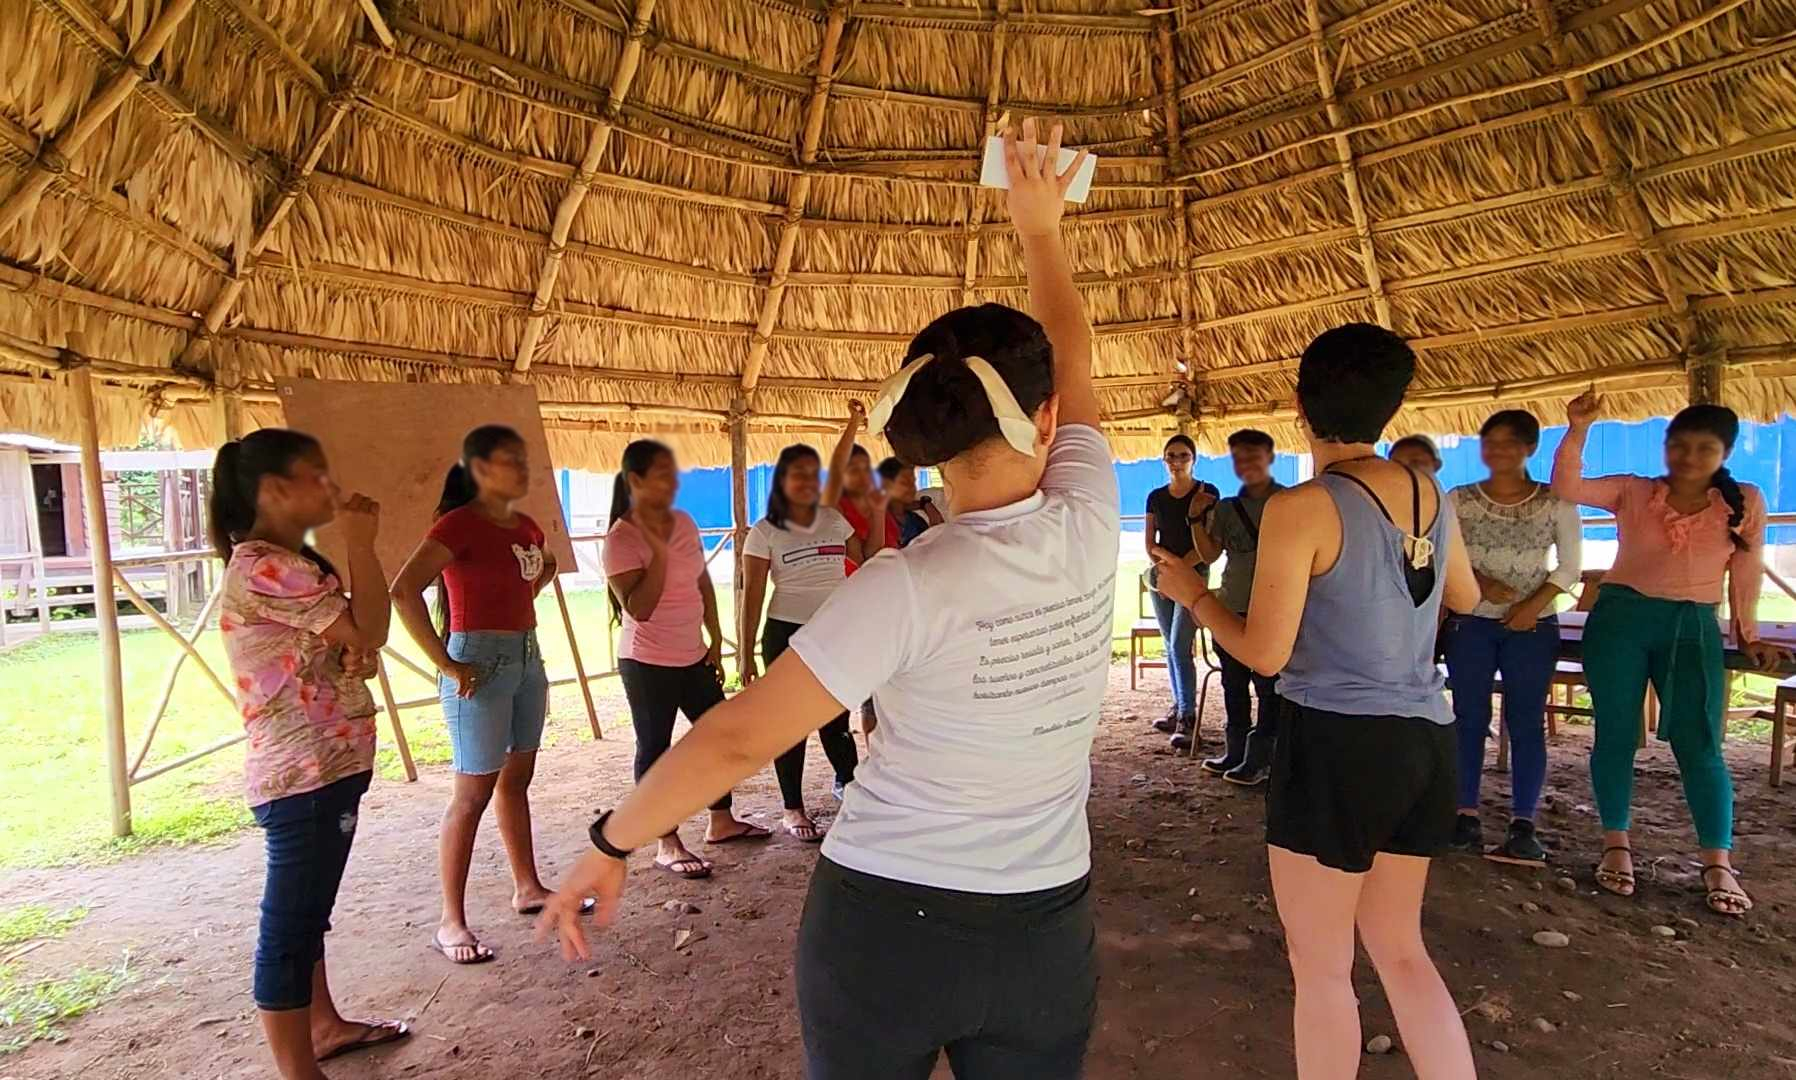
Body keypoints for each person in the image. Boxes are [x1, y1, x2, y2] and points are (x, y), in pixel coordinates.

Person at [541, 118, 1113, 1080]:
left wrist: (613, 842)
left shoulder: (906, 584)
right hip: (1046, 930)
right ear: (1046, 417)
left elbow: (733, 739)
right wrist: (1040, 231)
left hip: (885, 926)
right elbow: (1079, 359)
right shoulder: (1091, 514)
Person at [1153, 323, 1480, 1080]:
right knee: (1402, 952)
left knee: (1325, 968)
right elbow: (1462, 593)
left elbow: (1264, 652)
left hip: (1336, 742)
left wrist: (1194, 595)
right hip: (1425, 737)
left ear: (1300, 406)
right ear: (1393, 406)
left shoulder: (1305, 506)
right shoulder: (1432, 493)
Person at [211, 429, 410, 1078]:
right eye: (316, 475)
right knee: (291, 924)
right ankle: (299, 1069)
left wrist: (354, 641)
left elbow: (361, 642)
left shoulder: (296, 566)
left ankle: (322, 1027)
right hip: (301, 775)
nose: (332, 486)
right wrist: (359, 543)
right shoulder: (266, 566)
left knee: (309, 911)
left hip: (328, 767)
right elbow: (370, 630)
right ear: (273, 491)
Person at [1552, 393, 1787, 916]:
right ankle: (1617, 844)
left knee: (1699, 742)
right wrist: (1578, 429)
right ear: (1666, 446)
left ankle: (1717, 861)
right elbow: (1566, 487)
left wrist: (1746, 634)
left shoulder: (1743, 500)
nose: (1688, 456)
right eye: (1679, 445)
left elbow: (1745, 572)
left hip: (1693, 627)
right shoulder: (1635, 491)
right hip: (1619, 621)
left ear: (1724, 452)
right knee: (1614, 734)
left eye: (1704, 447)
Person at [390, 426, 581, 965]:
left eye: (521, 460)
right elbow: (404, 590)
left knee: (517, 778)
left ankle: (528, 886)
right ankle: (451, 920)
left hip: (525, 656)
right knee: (472, 794)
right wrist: (446, 662)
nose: (520, 469)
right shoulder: (459, 525)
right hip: (479, 660)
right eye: (507, 461)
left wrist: (537, 580)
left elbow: (528, 577)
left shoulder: (523, 526)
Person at [603, 439, 771, 879]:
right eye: (662, 473)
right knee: (655, 749)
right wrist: (658, 550)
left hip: (692, 654)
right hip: (648, 663)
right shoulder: (621, 539)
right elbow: (638, 608)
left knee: (720, 735)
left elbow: (701, 583)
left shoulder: (684, 521)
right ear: (636, 481)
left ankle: (721, 820)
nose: (673, 481)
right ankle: (666, 841)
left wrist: (715, 636)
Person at [1444, 409, 1582, 867]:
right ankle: (1464, 815)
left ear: (1530, 448)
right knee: (1467, 718)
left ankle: (1523, 823)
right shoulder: (1458, 500)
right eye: (1490, 442)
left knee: (1525, 723)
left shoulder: (1555, 502)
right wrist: (1478, 581)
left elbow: (1568, 568)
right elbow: (1441, 553)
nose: (1497, 451)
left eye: (1508, 442)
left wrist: (1531, 606)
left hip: (1533, 627)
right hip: (1471, 623)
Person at [739, 444, 860, 840]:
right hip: (786, 634)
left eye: (813, 474)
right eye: (798, 474)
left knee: (836, 718)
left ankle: (853, 790)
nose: (806, 482)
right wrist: (745, 652)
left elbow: (860, 570)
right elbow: (751, 594)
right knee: (790, 725)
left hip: (836, 632)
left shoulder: (835, 520)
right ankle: (793, 809)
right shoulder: (765, 531)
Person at [1189, 428, 1283, 784]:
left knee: (1269, 685)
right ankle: (1236, 751)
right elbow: (1209, 554)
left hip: (1273, 608)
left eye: (1254, 456)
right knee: (1233, 683)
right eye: (1240, 458)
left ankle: (1262, 757)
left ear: (1269, 458)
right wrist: (1197, 518)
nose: (1247, 464)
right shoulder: (1228, 507)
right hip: (1231, 606)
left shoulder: (1288, 502)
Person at [1144, 433, 1220, 749]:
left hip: (1193, 575)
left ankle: (1189, 719)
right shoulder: (1156, 497)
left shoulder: (1207, 493)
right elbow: (1150, 543)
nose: (1177, 462)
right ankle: (1179, 707)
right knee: (1168, 644)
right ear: (1164, 461)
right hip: (1161, 574)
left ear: (1193, 459)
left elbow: (1209, 545)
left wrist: (1179, 568)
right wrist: (1167, 569)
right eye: (1171, 456)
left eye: (1183, 456)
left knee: (1179, 645)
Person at [878, 456, 945, 547]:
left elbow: (936, 539)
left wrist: (925, 504)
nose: (911, 488)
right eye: (904, 483)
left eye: (913, 482)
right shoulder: (878, 521)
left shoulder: (914, 521)